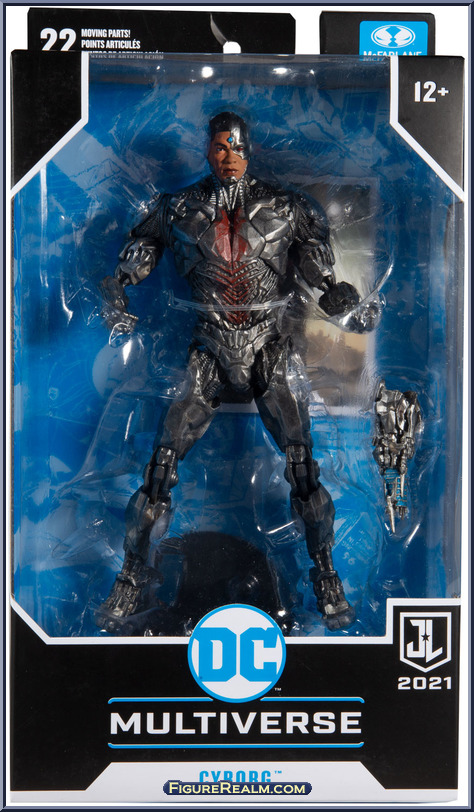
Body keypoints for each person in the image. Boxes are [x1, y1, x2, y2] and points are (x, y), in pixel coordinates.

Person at [98, 111, 381, 632]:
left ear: (251, 150)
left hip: (268, 344)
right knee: (161, 467)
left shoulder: (287, 207)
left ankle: (326, 577)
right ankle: (131, 575)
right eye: (221, 147)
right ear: (208, 149)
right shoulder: (177, 207)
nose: (229, 156)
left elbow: (319, 270)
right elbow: (137, 256)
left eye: (238, 147)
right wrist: (117, 288)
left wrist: (340, 298)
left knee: (303, 467)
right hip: (209, 345)